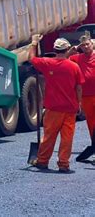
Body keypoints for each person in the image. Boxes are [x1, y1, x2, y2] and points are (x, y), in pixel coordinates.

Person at [29, 36, 84, 172]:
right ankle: (64, 163)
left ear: (54, 50)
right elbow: (78, 88)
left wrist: (34, 43)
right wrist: (79, 104)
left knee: (49, 136)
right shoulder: (74, 67)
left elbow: (31, 58)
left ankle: (42, 161)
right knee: (67, 137)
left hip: (53, 108)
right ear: (67, 49)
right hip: (70, 108)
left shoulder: (48, 63)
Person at [69, 32, 95, 161]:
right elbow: (64, 59)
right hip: (86, 96)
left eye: (87, 44)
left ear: (92, 44)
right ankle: (94, 145)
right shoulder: (77, 58)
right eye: (83, 45)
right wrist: (71, 50)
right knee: (91, 122)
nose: (86, 47)